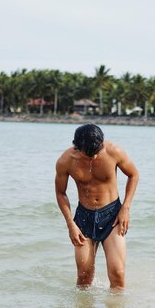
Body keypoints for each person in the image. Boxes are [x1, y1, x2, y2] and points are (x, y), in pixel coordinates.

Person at [55, 124, 139, 290]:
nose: (93, 157)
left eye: (97, 151)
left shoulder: (114, 151)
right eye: (89, 153)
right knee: (84, 277)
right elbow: (60, 193)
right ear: (77, 147)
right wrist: (71, 224)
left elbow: (133, 175)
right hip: (83, 218)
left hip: (112, 216)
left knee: (118, 273)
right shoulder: (65, 161)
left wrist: (126, 208)